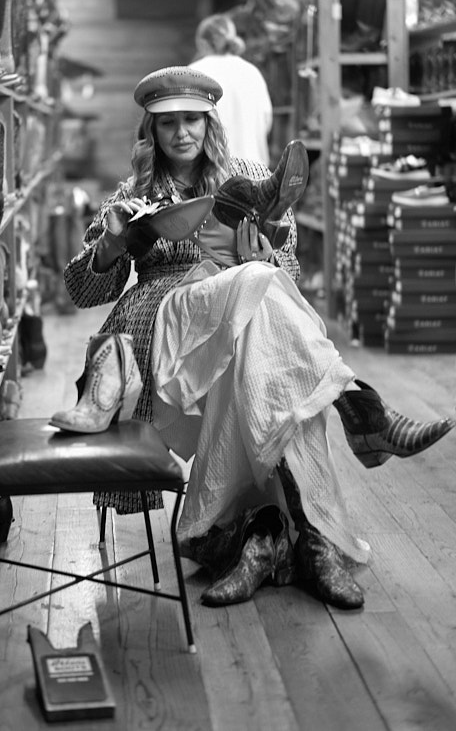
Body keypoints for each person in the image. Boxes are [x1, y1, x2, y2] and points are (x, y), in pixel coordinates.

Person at [59, 66, 455, 611]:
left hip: (244, 318)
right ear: (150, 131)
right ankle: (357, 411)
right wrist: (110, 246)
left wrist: (265, 255)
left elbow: (283, 269)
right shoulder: (134, 193)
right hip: (167, 326)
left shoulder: (244, 174)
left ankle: (272, 540)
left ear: (209, 122)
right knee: (266, 317)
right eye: (168, 123)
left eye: (192, 120)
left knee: (260, 314)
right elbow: (81, 290)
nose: (182, 134)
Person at [191, 13, 272, 165]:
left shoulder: (193, 73)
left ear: (202, 44)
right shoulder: (252, 72)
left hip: (212, 175)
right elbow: (266, 122)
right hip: (255, 172)